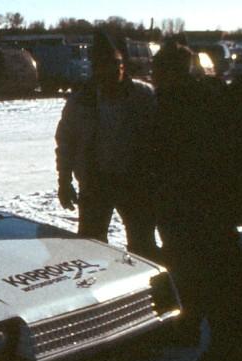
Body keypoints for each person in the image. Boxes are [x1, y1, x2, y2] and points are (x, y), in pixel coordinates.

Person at [150, 39, 242, 361]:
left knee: (232, 335)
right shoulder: (193, 107)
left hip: (199, 230)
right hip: (199, 232)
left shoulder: (191, 103)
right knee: (233, 338)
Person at [54, 30, 158, 259]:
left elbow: (157, 139)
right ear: (95, 66)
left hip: (135, 182)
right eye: (106, 64)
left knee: (143, 248)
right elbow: (65, 143)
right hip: (95, 183)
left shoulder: (143, 96)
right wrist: (64, 180)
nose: (114, 69)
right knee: (91, 248)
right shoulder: (81, 101)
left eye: (118, 63)